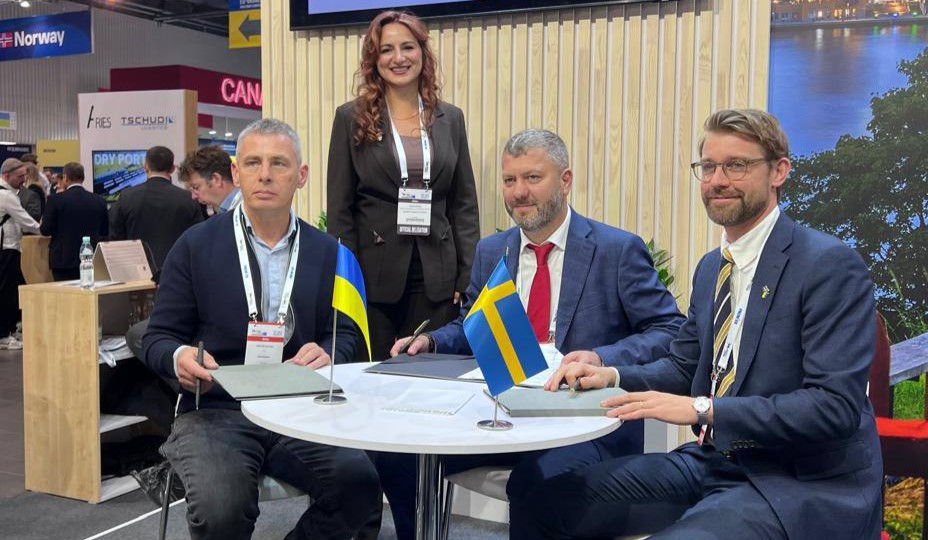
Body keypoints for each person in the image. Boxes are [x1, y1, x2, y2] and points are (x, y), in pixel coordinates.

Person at [513, 109, 884, 540]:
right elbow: (683, 367)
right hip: (717, 461)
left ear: (779, 171)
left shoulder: (827, 265)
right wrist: (611, 375)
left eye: (736, 165)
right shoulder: (712, 269)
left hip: (798, 480)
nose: (718, 180)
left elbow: (832, 407)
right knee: (541, 502)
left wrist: (703, 409)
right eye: (708, 167)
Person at [377, 129, 686, 539]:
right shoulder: (492, 250)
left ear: (565, 180)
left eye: (532, 178)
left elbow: (669, 329)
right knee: (396, 455)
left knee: (535, 485)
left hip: (580, 420)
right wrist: (432, 341)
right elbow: (474, 325)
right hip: (500, 410)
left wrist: (601, 358)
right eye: (510, 180)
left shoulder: (616, 250)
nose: (519, 192)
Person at [141, 118, 380, 540]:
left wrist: (329, 352)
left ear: (301, 176)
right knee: (222, 510)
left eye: (278, 163)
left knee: (359, 487)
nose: (265, 174)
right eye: (253, 163)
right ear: (236, 173)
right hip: (216, 410)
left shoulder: (330, 252)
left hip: (300, 408)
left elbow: (346, 333)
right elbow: (157, 337)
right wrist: (178, 356)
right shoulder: (194, 246)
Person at [327, 10, 480, 362]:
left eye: (408, 47)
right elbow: (340, 208)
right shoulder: (351, 117)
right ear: (374, 59)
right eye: (387, 49)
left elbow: (464, 204)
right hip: (373, 277)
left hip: (438, 275)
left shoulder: (451, 118)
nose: (398, 58)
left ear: (422, 53)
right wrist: (348, 280)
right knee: (374, 374)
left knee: (432, 372)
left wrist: (467, 275)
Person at [109, 146, 203, 278]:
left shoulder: (126, 196)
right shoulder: (188, 199)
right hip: (178, 273)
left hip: (136, 274)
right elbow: (199, 239)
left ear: (146, 166)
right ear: (172, 169)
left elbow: (115, 238)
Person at [0, 158, 41, 350]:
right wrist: (44, 230)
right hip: (6, 248)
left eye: (24, 175)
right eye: (19, 176)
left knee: (13, 289)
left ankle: (10, 330)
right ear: (6, 175)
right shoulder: (6, 195)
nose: (23, 180)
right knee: (4, 292)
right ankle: (0, 336)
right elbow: (26, 220)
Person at [39, 162, 109, 281]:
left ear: (65, 178)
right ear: (83, 177)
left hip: (63, 261)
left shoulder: (55, 200)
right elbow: (105, 230)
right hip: (91, 259)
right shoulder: (99, 201)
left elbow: (45, 230)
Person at [178, 144, 242, 213]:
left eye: (196, 187)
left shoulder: (246, 210)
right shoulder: (226, 210)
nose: (193, 196)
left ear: (217, 179)